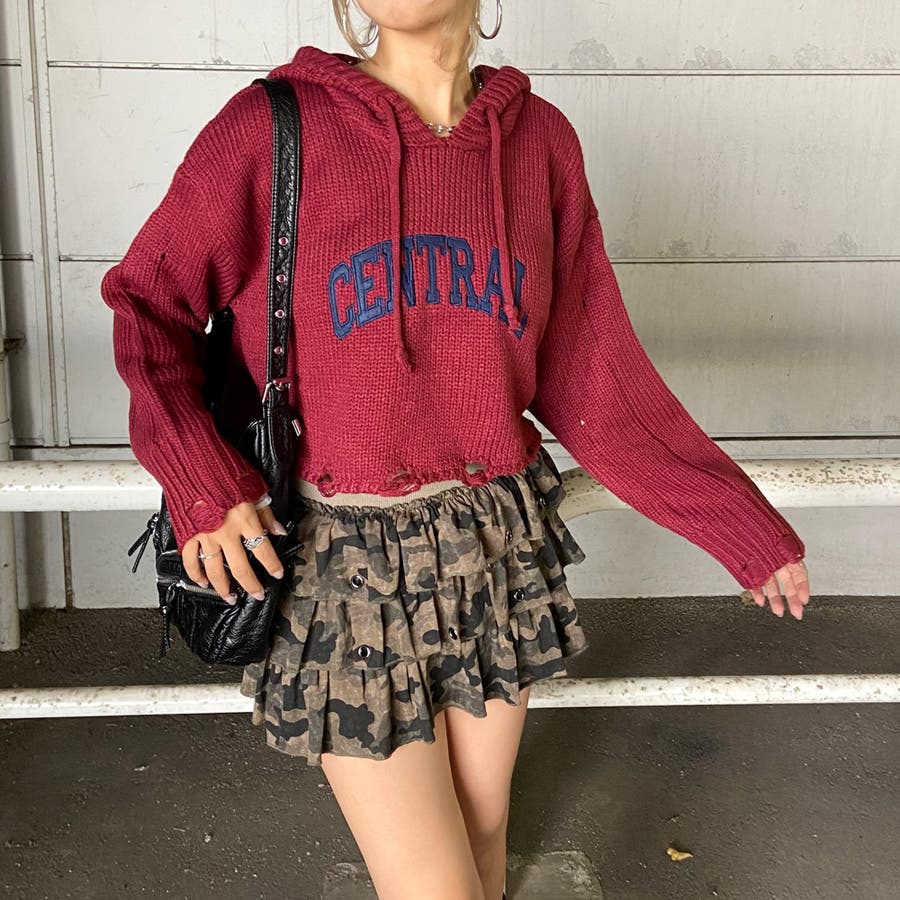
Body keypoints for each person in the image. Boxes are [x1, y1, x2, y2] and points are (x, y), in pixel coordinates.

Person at [100, 2, 811, 898]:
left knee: (482, 846)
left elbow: (594, 376)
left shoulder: (540, 143)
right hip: (341, 562)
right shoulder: (272, 129)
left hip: (497, 541)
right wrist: (203, 478)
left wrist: (737, 525)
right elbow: (146, 305)